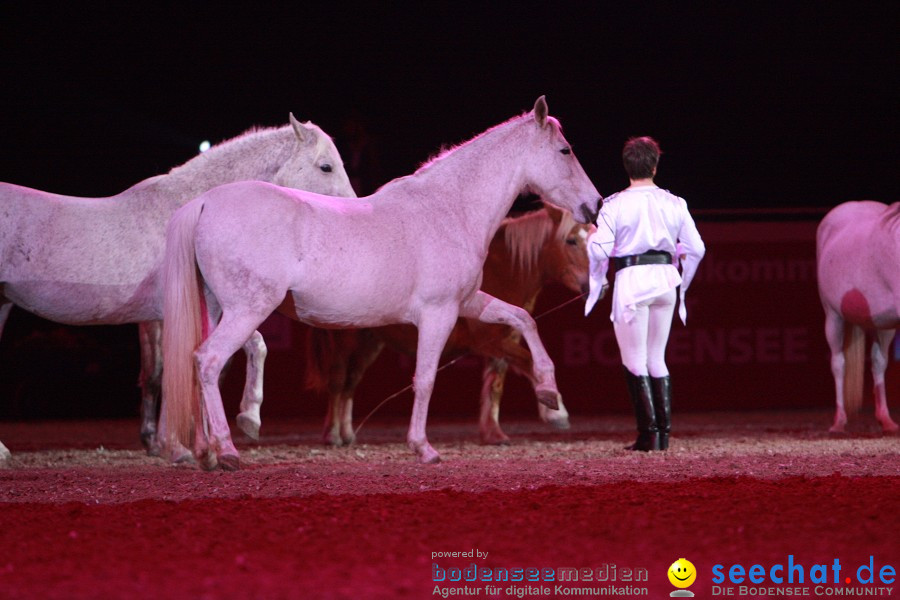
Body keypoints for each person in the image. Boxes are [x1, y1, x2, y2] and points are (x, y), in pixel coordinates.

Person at [585, 137, 705, 451]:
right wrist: (681, 271)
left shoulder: (613, 205)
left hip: (632, 282)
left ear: (627, 167)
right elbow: (698, 248)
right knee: (657, 358)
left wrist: (597, 274)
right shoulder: (675, 202)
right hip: (666, 281)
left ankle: (647, 435)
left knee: (635, 360)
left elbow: (599, 249)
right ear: (654, 165)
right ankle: (661, 435)